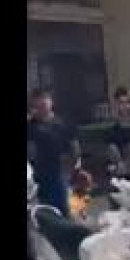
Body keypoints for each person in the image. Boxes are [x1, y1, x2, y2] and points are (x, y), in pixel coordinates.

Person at [27, 89, 81, 217]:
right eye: (36, 106)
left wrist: (72, 169)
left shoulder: (63, 123)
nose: (40, 109)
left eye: (43, 104)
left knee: (65, 210)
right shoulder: (30, 127)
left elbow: (75, 148)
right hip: (38, 176)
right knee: (44, 214)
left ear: (50, 102)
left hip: (60, 173)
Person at [106, 86, 130, 183]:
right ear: (116, 106)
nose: (126, 107)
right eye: (121, 103)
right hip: (129, 181)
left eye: (129, 102)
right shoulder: (113, 134)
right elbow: (115, 162)